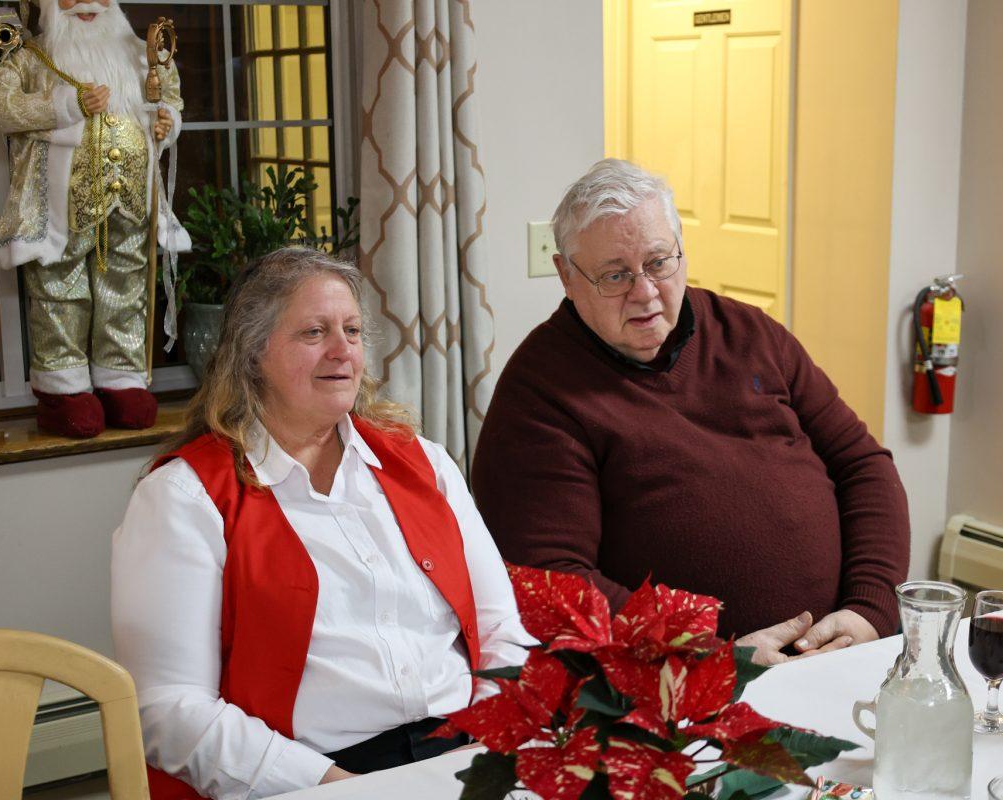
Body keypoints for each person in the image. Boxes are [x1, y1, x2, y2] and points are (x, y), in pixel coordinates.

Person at [111, 247, 531, 799]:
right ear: (253, 353)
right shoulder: (183, 497)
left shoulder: (424, 462)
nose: (342, 351)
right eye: (314, 332)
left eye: (352, 331)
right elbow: (169, 709)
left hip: (465, 752)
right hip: (310, 776)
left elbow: (503, 630)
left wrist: (493, 742)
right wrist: (337, 788)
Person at [471, 159, 910, 665]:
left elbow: (863, 464)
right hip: (680, 684)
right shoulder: (540, 393)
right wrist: (711, 657)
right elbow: (552, 581)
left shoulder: (749, 332)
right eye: (615, 275)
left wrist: (870, 609)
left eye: (659, 262)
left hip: (845, 649)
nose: (645, 292)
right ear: (566, 276)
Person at [0, 0, 190, 438]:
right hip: (60, 204)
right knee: (60, 286)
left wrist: (166, 122)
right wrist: (67, 103)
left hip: (131, 198)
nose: (86, 3)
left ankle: (121, 377)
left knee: (127, 283)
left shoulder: (139, 54)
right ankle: (63, 389)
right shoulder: (30, 57)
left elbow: (169, 98)